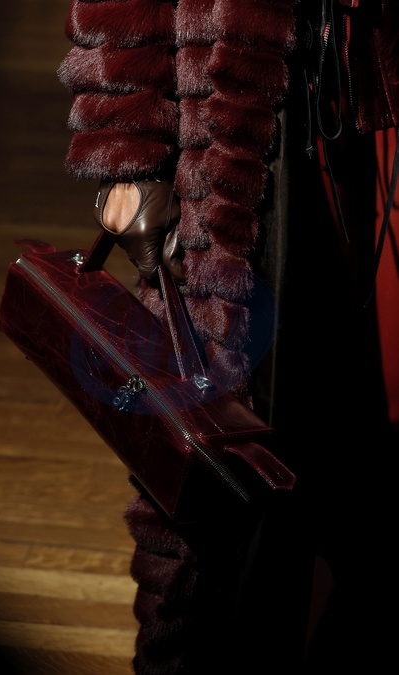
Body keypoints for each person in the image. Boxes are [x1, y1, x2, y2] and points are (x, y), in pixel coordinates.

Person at [58, 1, 399, 672]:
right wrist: (126, 153)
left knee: (343, 441)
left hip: (346, 111)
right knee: (234, 441)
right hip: (232, 133)